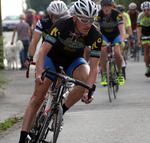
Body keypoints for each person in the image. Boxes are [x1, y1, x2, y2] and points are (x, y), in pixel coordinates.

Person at [18, 0, 102, 143]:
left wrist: (88, 91)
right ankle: (22, 137)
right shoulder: (62, 24)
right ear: (74, 18)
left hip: (74, 60)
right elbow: (43, 51)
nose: (88, 25)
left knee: (85, 80)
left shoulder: (95, 35)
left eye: (91, 21)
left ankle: (60, 112)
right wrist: (39, 74)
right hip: (53, 58)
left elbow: (94, 67)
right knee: (38, 97)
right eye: (84, 20)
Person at [25, 1, 68, 66]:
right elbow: (34, 40)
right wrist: (30, 57)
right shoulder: (43, 22)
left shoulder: (69, 21)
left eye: (62, 17)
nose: (59, 20)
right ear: (50, 16)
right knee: (41, 72)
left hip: (64, 52)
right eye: (56, 17)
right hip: (47, 52)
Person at [95, 0, 126, 86]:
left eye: (108, 6)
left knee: (117, 52)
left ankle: (120, 73)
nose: (106, 8)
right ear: (101, 7)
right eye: (104, 6)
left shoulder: (117, 14)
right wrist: (97, 40)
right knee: (102, 50)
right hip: (104, 35)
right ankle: (104, 74)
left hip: (116, 35)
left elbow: (122, 29)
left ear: (112, 6)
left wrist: (122, 40)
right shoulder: (99, 14)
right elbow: (95, 29)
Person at [137, 1, 150, 77]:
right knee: (146, 47)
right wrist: (139, 39)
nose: (146, 12)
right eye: (144, 10)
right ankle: (147, 67)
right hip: (145, 31)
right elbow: (139, 29)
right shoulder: (140, 16)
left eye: (148, 10)